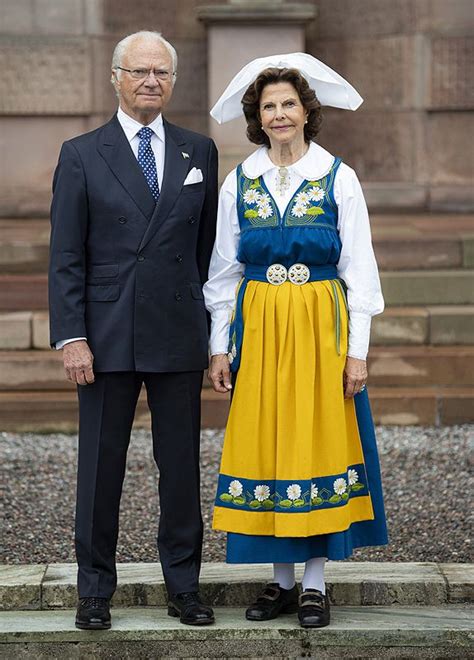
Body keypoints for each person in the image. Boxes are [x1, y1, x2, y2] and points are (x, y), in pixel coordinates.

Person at [204, 53, 388, 629]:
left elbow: (361, 269)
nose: (280, 114)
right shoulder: (241, 179)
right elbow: (225, 270)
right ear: (257, 118)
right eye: (268, 107)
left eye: (288, 104)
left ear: (307, 112)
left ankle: (313, 583)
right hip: (259, 328)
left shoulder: (338, 177)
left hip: (319, 330)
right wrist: (219, 345)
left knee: (316, 443)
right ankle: (280, 582)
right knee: (267, 442)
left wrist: (357, 350)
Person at [48, 31, 217, 629]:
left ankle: (185, 587)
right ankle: (93, 591)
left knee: (181, 467)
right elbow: (66, 254)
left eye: (162, 73)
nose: (151, 81)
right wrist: (72, 336)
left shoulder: (200, 151)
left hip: (175, 329)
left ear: (173, 82)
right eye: (140, 71)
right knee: (99, 468)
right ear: (115, 77)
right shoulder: (81, 153)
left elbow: (205, 253)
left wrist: (210, 332)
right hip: (105, 332)